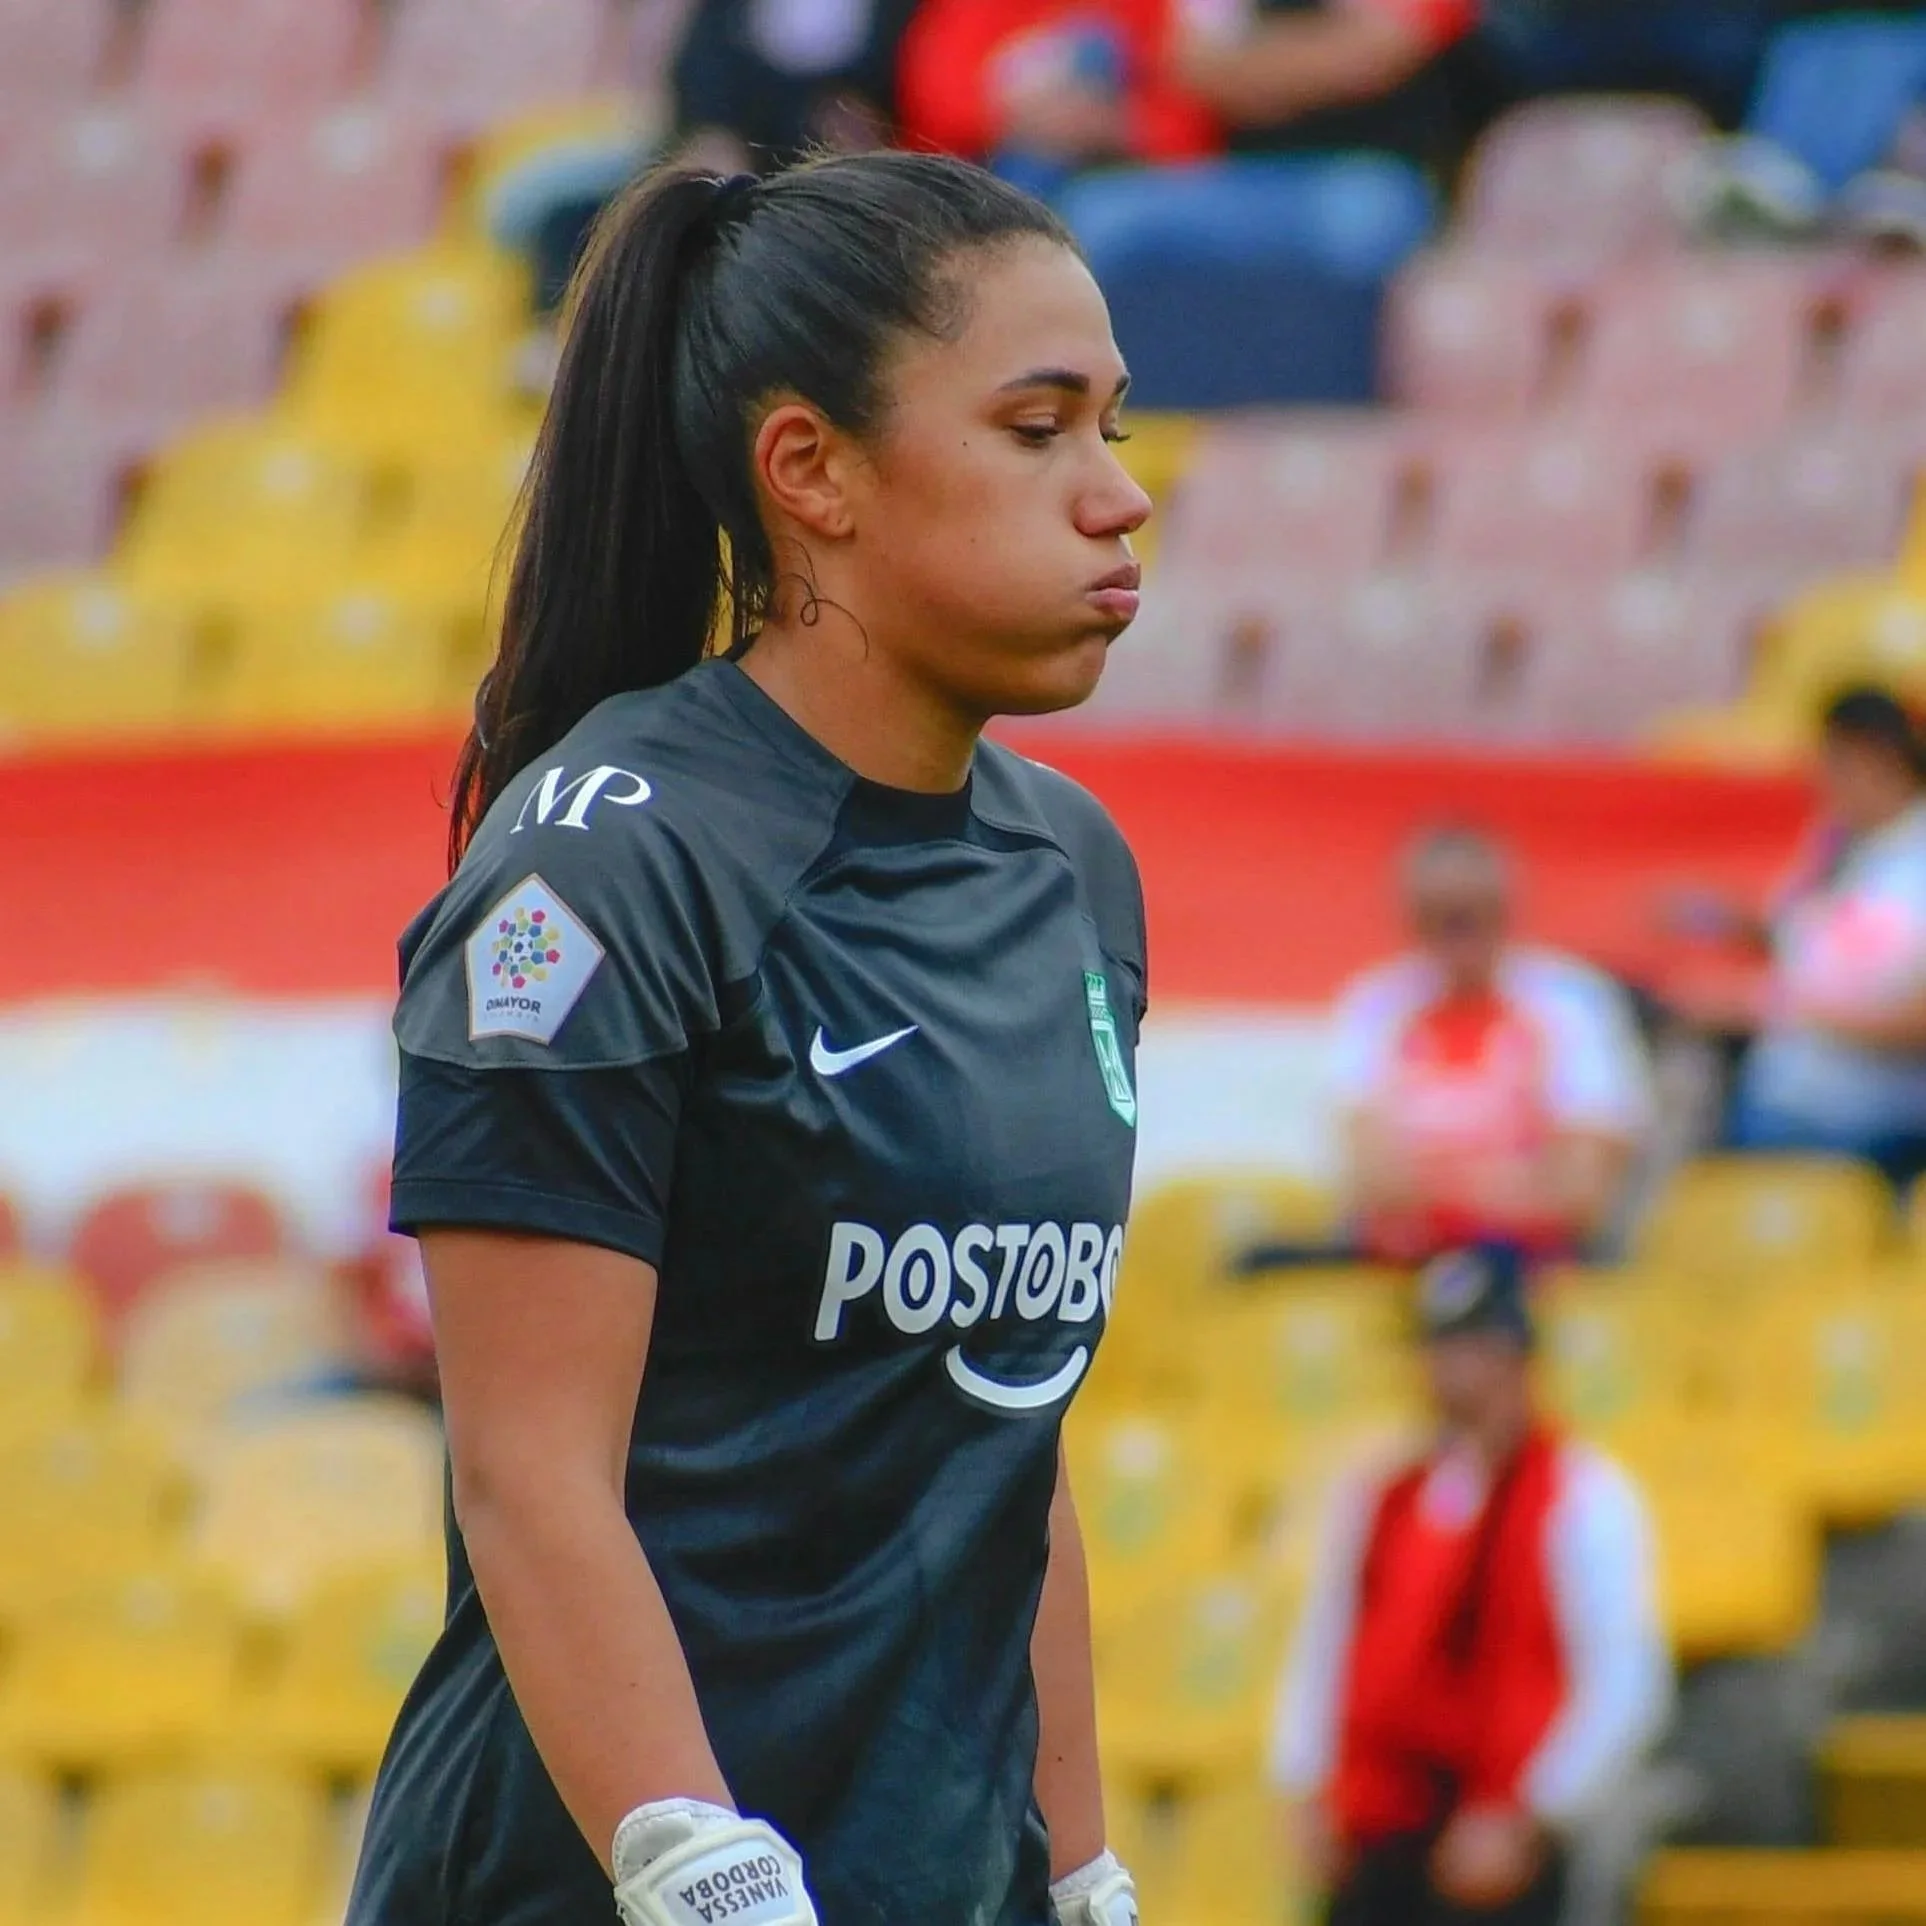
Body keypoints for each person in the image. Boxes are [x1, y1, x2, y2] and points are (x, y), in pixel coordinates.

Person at [346, 152, 1154, 1926]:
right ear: (812, 473)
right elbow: (527, 1472)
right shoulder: (604, 866)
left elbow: (1004, 1424)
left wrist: (1078, 1858)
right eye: (1039, 430)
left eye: (1111, 424)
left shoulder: (1075, 871)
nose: (1120, 495)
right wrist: (694, 1865)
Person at [1271, 1244, 1671, 1926]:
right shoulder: (1381, 1493)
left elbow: (1624, 1681)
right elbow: (1327, 1643)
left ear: (1512, 1353)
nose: (1440, 1369)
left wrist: (1536, 1813)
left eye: (1461, 1346)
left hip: (1501, 1842)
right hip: (1377, 1833)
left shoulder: (1585, 1495)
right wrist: (1305, 1784)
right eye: (1433, 1347)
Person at [1326, 827, 1651, 1267]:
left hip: (1527, 1265)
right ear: (1411, 916)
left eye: (1469, 915)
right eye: (1442, 916)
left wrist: (1433, 1185)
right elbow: (1369, 1179)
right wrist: (1500, 1186)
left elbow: (1582, 1190)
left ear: (1505, 908)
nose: (1458, 934)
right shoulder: (1376, 1005)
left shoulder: (1570, 1003)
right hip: (1399, 1257)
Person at [1680, 687, 1926, 1184]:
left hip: (1874, 1128)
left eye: (1831, 762)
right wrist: (1727, 923)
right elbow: (1809, 944)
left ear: (1873, 755)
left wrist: (1773, 1006)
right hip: (1777, 1098)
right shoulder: (1836, 841)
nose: (1821, 781)